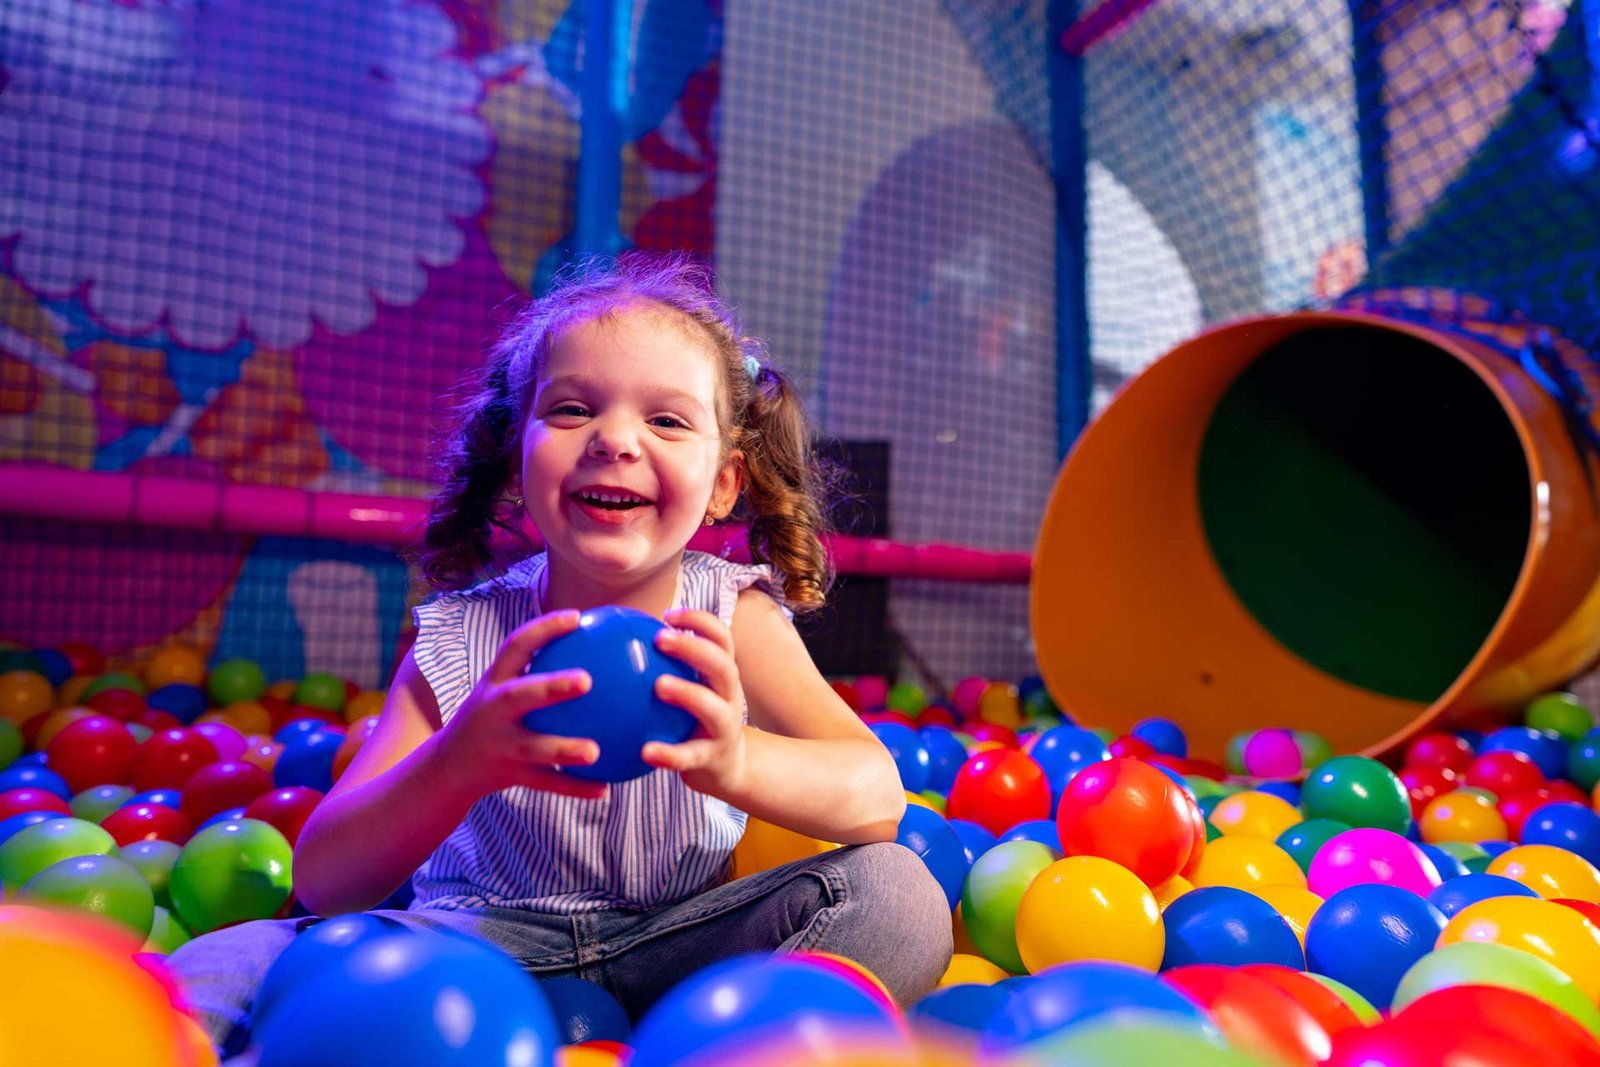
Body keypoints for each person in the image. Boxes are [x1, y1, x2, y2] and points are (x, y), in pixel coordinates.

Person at [169, 254, 952, 1054]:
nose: (615, 439)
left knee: (898, 896)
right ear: (517, 456)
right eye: (574, 409)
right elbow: (328, 879)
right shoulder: (463, 634)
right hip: (468, 956)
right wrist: (460, 758)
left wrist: (736, 760)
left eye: (667, 420)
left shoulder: (732, 615)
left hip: (676, 952)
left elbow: (874, 797)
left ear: (723, 483)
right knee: (234, 957)